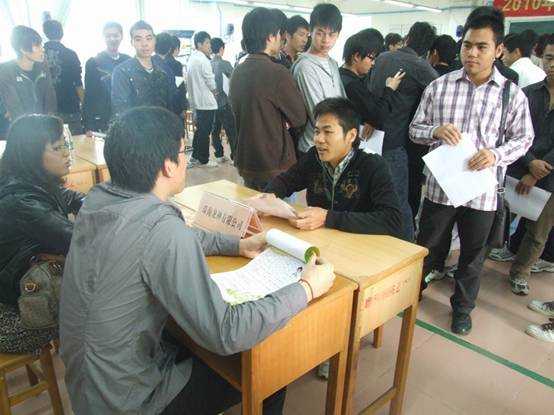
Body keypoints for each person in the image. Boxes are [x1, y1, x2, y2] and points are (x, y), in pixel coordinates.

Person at [59, 106, 335, 414]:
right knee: (272, 364)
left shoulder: (98, 202)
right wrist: (306, 288)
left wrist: (236, 245)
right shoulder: (161, 229)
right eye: (183, 151)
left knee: (191, 331)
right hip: (131, 402)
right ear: (168, 167)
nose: (185, 159)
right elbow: (226, 331)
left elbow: (170, 239)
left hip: (91, 387)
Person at [409, 6, 533, 335]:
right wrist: (435, 131)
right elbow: (414, 130)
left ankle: (462, 309)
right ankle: (410, 293)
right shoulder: (439, 86)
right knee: (427, 245)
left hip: (482, 193)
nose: (472, 53)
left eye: (481, 47)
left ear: (499, 50)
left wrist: (496, 154)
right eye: (467, 45)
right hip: (440, 188)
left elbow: (524, 139)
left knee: (473, 256)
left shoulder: (511, 95)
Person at [0, 114, 83, 354]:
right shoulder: (20, 200)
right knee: (104, 300)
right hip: (14, 320)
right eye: (57, 148)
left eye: (65, 145)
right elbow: (78, 240)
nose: (67, 153)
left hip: (24, 293)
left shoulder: (26, 180)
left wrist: (91, 203)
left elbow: (70, 197)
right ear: (32, 153)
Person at [265, 97, 402, 237]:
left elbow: (393, 220)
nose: (319, 139)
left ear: (351, 135)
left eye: (328, 132)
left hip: (358, 243)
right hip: (321, 239)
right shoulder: (314, 157)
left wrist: (327, 218)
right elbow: (286, 181)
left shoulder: (372, 165)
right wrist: (269, 196)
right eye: (317, 131)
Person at [369, 22, 438, 241]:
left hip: (369, 136)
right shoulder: (420, 66)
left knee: (372, 195)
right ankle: (407, 245)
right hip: (395, 141)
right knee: (399, 200)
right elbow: (441, 91)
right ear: (428, 49)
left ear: (407, 37)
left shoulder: (382, 57)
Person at [230, 7, 307, 191]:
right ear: (271, 36)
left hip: (247, 160)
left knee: (253, 206)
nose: (282, 39)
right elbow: (299, 117)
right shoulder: (277, 72)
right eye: (280, 34)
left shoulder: (238, 71)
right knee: (278, 209)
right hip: (274, 164)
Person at [507, 35, 554, 296]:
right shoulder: (527, 94)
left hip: (550, 177)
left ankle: (521, 272)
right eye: (548, 58)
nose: (552, 64)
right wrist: (529, 163)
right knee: (498, 221)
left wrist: (539, 170)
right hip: (518, 168)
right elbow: (513, 132)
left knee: (538, 232)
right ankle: (478, 264)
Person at [292, 3, 346, 156]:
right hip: (314, 148)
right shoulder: (305, 66)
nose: (326, 40)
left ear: (338, 34)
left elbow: (343, 101)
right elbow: (319, 113)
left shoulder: (332, 63)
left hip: (333, 144)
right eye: (320, 33)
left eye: (332, 35)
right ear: (311, 31)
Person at [339, 30, 405, 134]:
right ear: (356, 56)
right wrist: (390, 88)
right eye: (371, 58)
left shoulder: (340, 74)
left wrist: (369, 120)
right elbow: (378, 116)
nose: (373, 63)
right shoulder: (353, 85)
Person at [111, 20, 173, 116]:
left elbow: (169, 106)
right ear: (132, 42)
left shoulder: (162, 72)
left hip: (162, 124)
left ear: (154, 40)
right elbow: (121, 110)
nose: (144, 44)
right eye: (138, 39)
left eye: (148, 38)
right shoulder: (122, 72)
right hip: (134, 124)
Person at [0, 26, 56, 124]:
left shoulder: (43, 65)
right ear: (23, 49)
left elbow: (50, 96)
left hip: (45, 125)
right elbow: (15, 107)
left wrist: (49, 123)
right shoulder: (6, 70)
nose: (42, 49)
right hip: (21, 127)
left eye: (41, 45)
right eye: (37, 46)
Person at [83, 22, 130, 134]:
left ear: (121, 36)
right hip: (102, 119)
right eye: (108, 36)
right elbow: (89, 95)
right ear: (103, 37)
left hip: (125, 118)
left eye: (115, 35)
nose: (112, 39)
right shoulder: (94, 62)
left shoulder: (128, 61)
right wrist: (88, 124)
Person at [187, 31, 222, 167]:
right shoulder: (203, 60)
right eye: (207, 43)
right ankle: (204, 159)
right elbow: (210, 80)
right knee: (204, 132)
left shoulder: (192, 59)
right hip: (206, 102)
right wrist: (215, 91)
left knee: (200, 131)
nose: (209, 45)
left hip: (197, 101)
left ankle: (195, 156)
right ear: (199, 44)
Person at [43, 19, 84, 134]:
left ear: (45, 33)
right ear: (61, 33)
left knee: (48, 143)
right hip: (69, 107)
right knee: (75, 141)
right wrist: (84, 105)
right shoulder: (70, 54)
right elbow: (78, 83)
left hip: (45, 110)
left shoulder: (38, 54)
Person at [210, 37, 236, 161]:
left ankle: (219, 154)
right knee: (231, 130)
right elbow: (235, 79)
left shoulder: (208, 64)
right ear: (221, 49)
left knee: (215, 130)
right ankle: (235, 156)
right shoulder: (225, 64)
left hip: (212, 103)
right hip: (224, 102)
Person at [152, 32, 182, 115]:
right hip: (164, 110)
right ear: (169, 49)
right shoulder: (168, 70)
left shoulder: (148, 62)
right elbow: (173, 93)